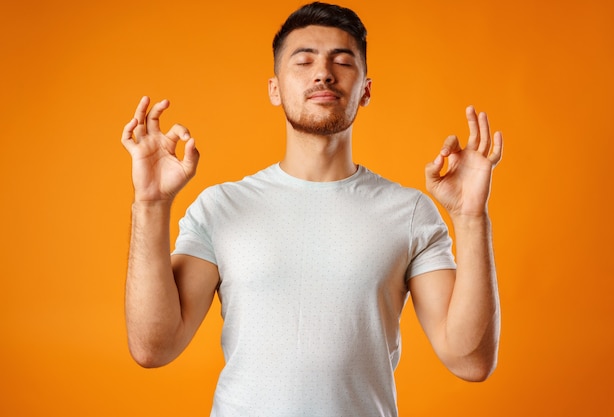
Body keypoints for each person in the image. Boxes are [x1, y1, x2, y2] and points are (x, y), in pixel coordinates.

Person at [121, 2, 503, 416]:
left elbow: (470, 360)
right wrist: (151, 206)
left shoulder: (409, 212)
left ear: (366, 90)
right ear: (274, 88)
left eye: (342, 61)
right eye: (303, 61)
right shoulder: (221, 207)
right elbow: (153, 347)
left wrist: (469, 219)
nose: (323, 73)